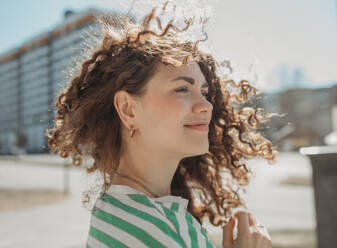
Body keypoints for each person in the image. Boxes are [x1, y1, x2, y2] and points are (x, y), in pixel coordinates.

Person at [46, 1, 276, 247]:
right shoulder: (142, 228)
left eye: (204, 92)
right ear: (128, 109)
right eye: (181, 89)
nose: (206, 105)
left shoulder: (140, 213)